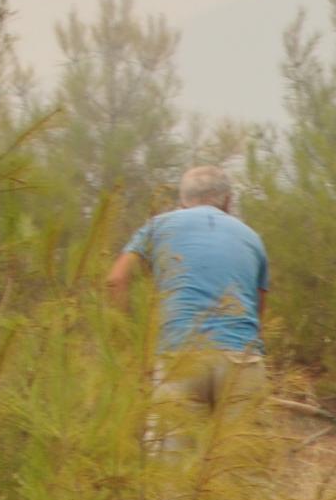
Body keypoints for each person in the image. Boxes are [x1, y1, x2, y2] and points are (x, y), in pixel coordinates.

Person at [107, 165, 270, 434]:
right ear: (228, 201)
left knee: (172, 471)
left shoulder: (157, 226)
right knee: (242, 467)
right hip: (240, 359)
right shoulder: (252, 237)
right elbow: (258, 310)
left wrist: (128, 344)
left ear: (182, 201)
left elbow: (116, 280)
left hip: (178, 357)